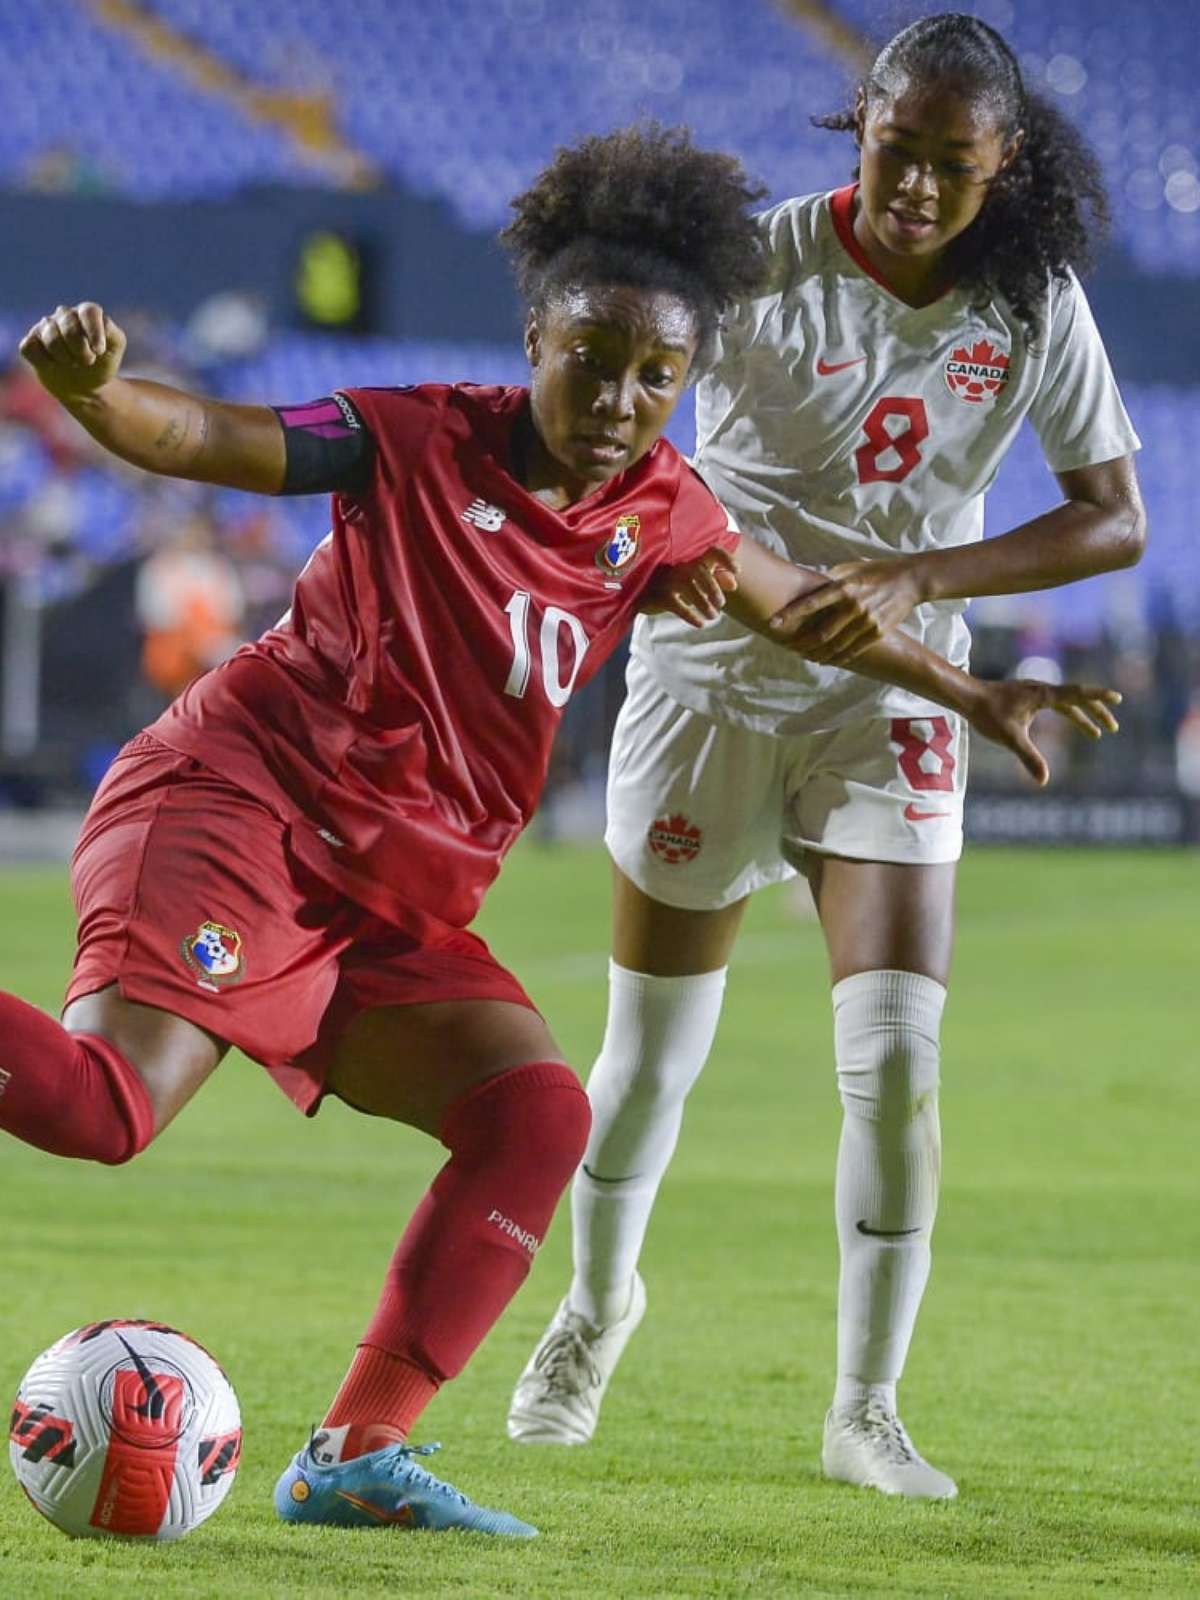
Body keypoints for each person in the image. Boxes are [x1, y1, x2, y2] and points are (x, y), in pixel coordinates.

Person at [7, 123, 1113, 1539]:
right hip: (245, 809)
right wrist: (106, 405)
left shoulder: (661, 511)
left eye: (659, 374)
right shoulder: (414, 437)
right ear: (536, 335)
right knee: (104, 1111)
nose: (621, 397)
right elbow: (226, 439)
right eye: (595, 358)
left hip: (392, 895)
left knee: (534, 1113)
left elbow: (807, 603)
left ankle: (351, 1454)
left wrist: (976, 688)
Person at [509, 19, 1145, 1503]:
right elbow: (612, 408)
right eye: (897, 148)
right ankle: (595, 1313)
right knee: (651, 1061)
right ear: (857, 123)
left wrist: (926, 580)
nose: (918, 185)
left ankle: (867, 1408)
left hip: (898, 702)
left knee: (899, 1061)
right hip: (709, 684)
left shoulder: (1032, 301)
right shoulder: (755, 264)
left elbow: (1112, 516)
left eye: (953, 164)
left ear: (1004, 166)